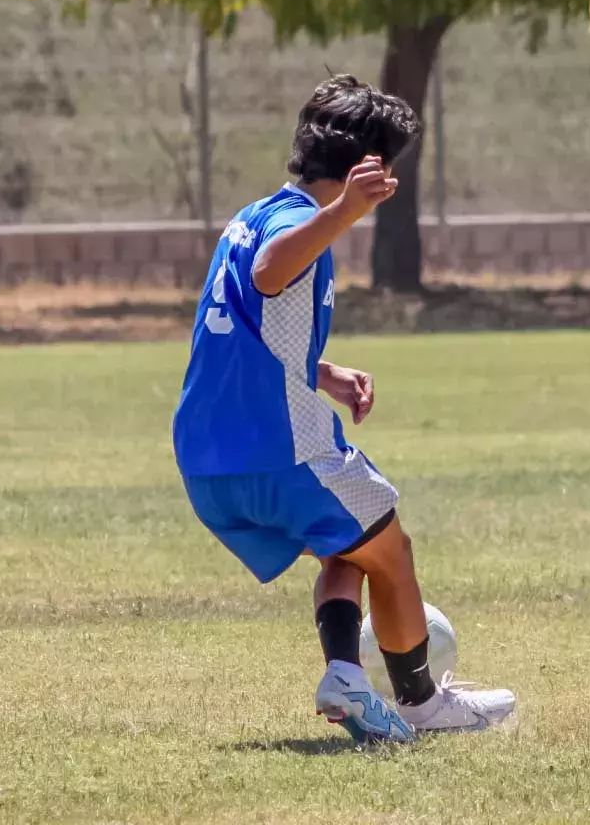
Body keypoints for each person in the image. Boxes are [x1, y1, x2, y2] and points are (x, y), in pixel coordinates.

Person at [171, 75, 516, 742]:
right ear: (372, 172)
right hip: (282, 454)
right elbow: (275, 272)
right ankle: (421, 701)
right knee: (392, 549)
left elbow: (241, 325)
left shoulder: (250, 216)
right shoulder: (302, 224)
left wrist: (322, 374)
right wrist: (343, 214)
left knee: (348, 546)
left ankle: (347, 677)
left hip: (207, 458)